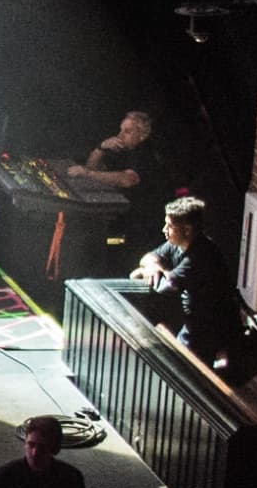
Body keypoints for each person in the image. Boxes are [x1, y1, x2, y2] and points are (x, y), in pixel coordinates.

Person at [130, 195, 243, 354]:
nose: (164, 230)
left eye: (169, 226)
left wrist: (145, 272)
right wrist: (151, 266)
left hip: (209, 329)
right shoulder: (176, 245)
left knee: (181, 364)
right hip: (192, 322)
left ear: (187, 230)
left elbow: (166, 285)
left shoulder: (201, 255)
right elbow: (149, 257)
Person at [62, 106, 158, 194]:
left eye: (127, 131)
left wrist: (88, 174)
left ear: (142, 136)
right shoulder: (120, 148)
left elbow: (127, 180)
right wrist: (100, 148)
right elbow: (92, 167)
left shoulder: (146, 153)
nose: (120, 135)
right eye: (121, 130)